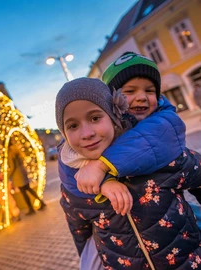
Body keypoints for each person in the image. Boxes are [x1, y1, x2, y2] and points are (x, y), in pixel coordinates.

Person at [56, 77, 201, 269]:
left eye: (95, 118)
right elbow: (81, 236)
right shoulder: (73, 188)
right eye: (72, 126)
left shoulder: (155, 158)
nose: (86, 133)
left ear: (114, 117)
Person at [75, 51, 201, 208]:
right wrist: (105, 182)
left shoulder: (165, 121)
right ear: (110, 100)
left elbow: (149, 137)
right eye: (130, 91)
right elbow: (73, 170)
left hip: (174, 227)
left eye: (149, 90)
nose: (142, 97)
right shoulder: (103, 130)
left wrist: (102, 165)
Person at [7, 139, 46, 215]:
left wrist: (7, 176)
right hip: (23, 172)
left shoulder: (10, 153)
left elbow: (12, 167)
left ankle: (31, 208)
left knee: (24, 192)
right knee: (28, 189)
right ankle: (41, 202)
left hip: (17, 175)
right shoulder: (16, 149)